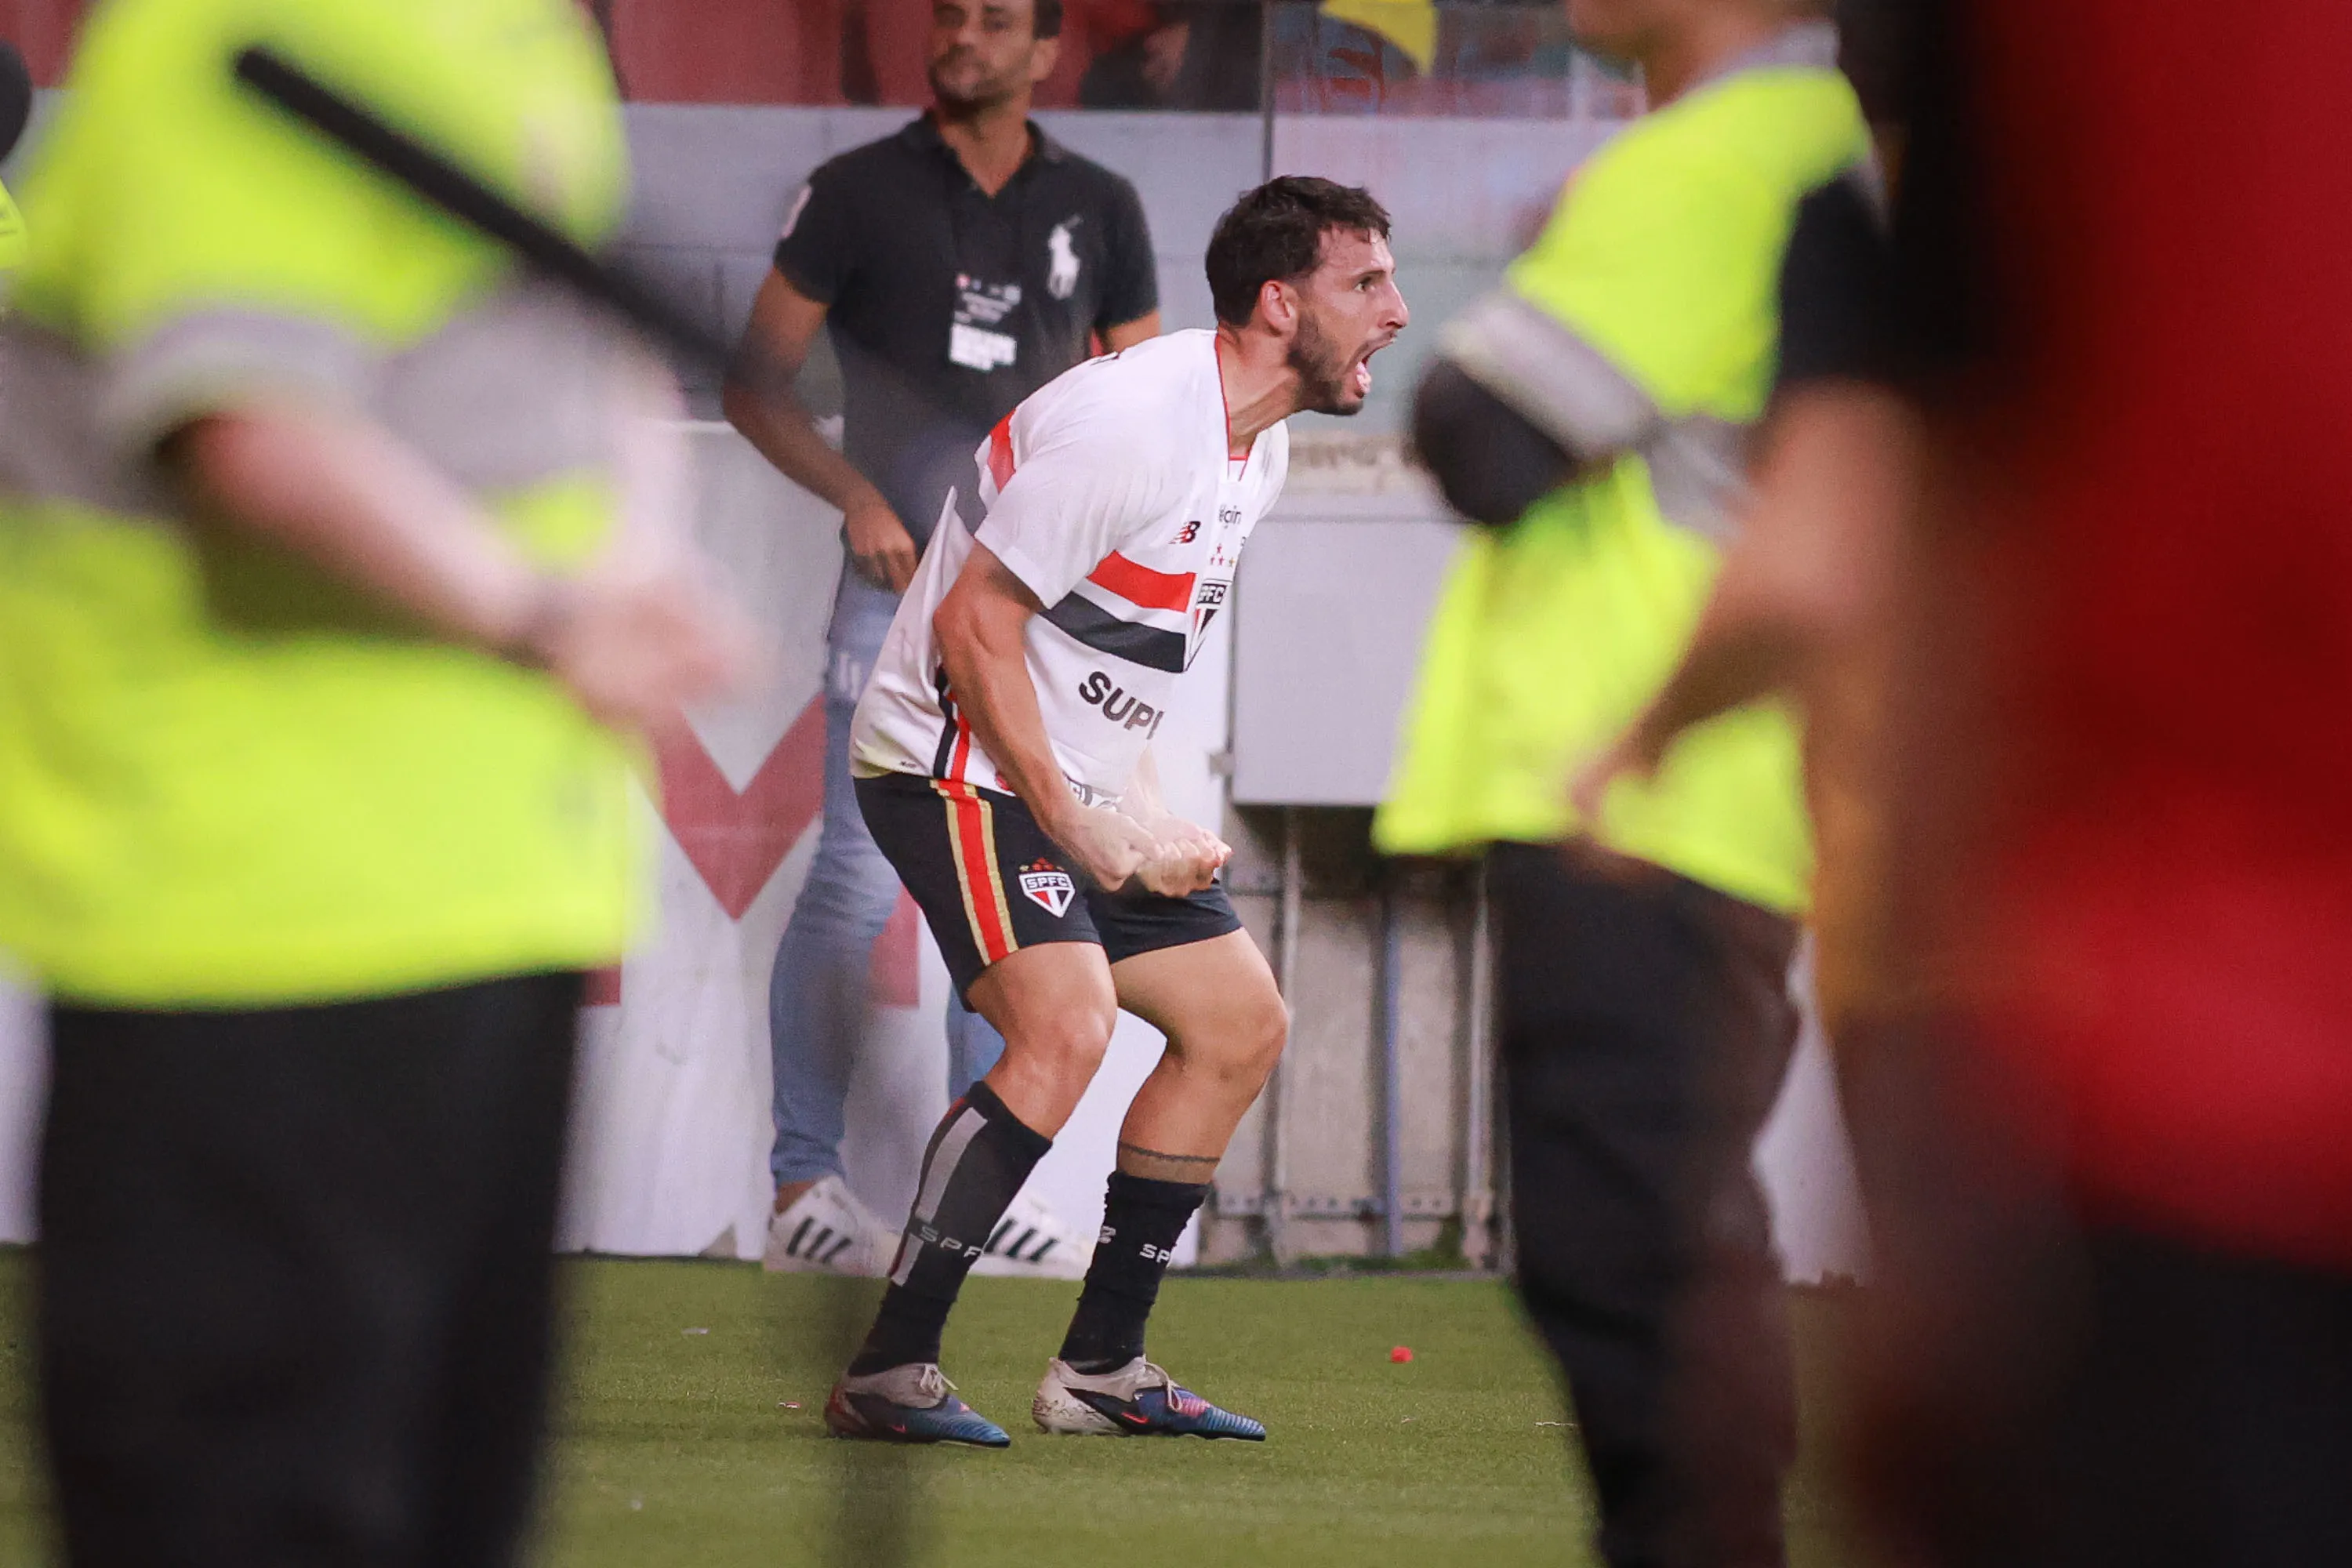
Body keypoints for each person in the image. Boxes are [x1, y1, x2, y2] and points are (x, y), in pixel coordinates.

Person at [0, 1, 750, 1563]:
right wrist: (556, 611)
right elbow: (249, 427)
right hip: (256, 923)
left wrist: (631, 559)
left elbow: (584, 337)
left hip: (456, 903)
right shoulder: (264, 24)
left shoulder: (508, 36)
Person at [1385, 1, 1867, 1563]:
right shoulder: (1813, 143)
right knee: (1656, 1265)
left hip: (1638, 792)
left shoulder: (1718, 155)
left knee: (1640, 1273)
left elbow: (1483, 435)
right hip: (1708, 794)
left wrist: (1516, 303)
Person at [822, 175, 1406, 1446]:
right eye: (1366, 283)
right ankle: (888, 1369)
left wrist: (1138, 816)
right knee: (1065, 1027)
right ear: (1276, 302)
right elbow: (976, 633)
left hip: (1063, 784)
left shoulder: (1261, 450)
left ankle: (1099, 1369)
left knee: (1240, 1023)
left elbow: (1118, 663)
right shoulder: (1141, 424)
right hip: (947, 762)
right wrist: (1083, 833)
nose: (1397, 312)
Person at [724, 0, 1162, 1279]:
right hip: (896, 585)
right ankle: (805, 1183)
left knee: (1019, 877)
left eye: (994, 17)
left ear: (1044, 55)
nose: (960, 30)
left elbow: (1150, 404)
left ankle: (988, 1182)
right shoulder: (857, 191)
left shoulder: (1103, 206)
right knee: (859, 885)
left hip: (1037, 609)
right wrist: (857, 496)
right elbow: (757, 379)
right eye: (950, 10)